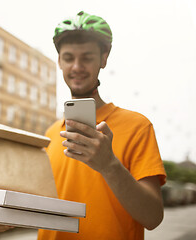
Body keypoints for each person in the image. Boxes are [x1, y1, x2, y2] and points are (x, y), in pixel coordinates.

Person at [37, 11, 166, 240]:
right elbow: (42, 205)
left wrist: (109, 165)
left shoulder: (137, 127)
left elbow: (153, 217)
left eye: (87, 57)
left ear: (104, 58)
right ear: (59, 61)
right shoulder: (50, 134)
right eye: (68, 58)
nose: (76, 66)